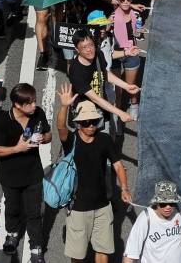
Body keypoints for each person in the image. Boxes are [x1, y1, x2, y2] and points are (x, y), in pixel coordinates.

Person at [57, 87, 131, 263]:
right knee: (78, 256)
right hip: (77, 208)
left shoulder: (104, 140)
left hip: (103, 207)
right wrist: (65, 106)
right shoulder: (71, 141)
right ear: (78, 123)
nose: (90, 126)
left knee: (102, 251)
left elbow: (118, 165)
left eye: (94, 122)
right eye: (86, 122)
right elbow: (60, 127)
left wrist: (125, 188)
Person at [0, 83, 51, 262]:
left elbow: (48, 136)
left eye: (34, 101)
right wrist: (18, 148)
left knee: (33, 212)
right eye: (30, 103)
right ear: (17, 105)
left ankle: (36, 247)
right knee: (12, 208)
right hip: (10, 176)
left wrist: (42, 138)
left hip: (33, 173)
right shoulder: (3, 120)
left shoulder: (38, 113)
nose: (34, 106)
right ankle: (12, 233)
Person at [125, 180, 181, 263]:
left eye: (171, 203)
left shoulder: (179, 209)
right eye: (163, 203)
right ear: (156, 202)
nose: (168, 207)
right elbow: (130, 254)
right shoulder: (146, 218)